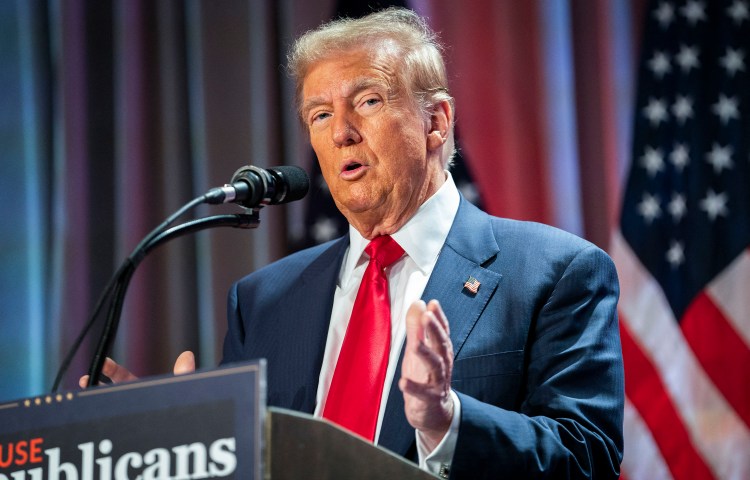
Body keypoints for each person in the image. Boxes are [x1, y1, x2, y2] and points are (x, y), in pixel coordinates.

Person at [84, 7, 624, 479]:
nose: (340, 131)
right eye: (320, 115)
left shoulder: (555, 272)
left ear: (436, 122)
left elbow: (587, 458)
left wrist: (446, 420)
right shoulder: (262, 300)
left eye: (366, 101)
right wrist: (182, 441)